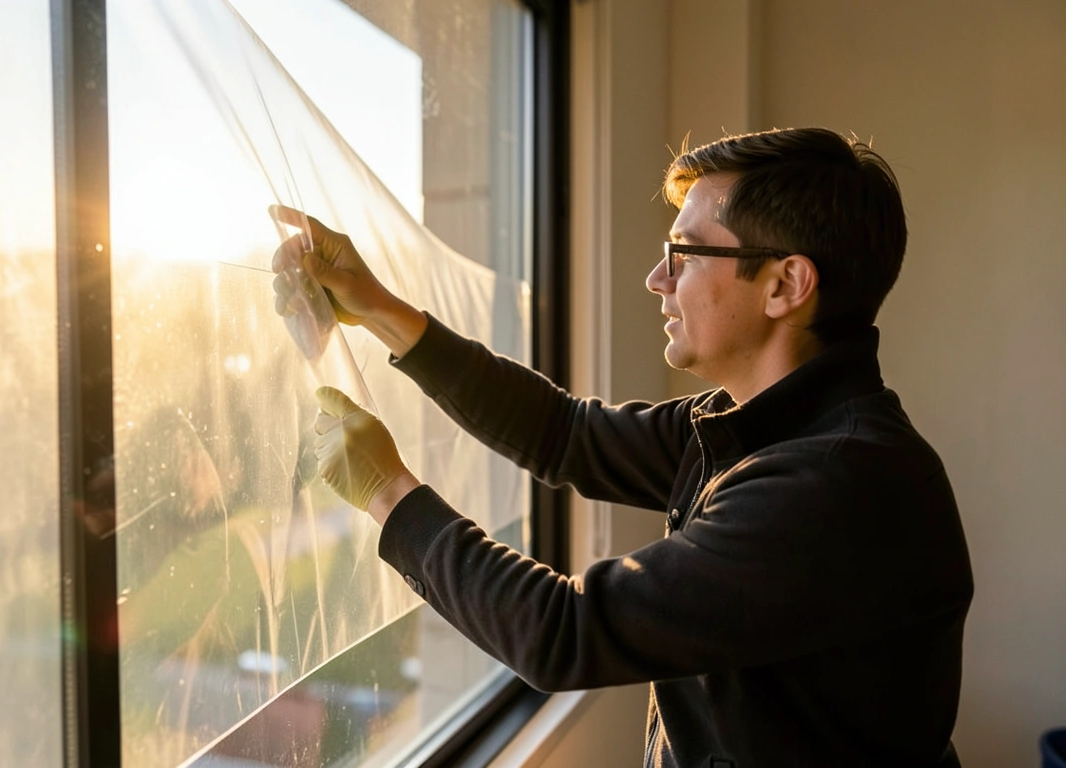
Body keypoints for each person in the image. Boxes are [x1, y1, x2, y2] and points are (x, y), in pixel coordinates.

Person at [270, 127, 974, 768]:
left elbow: (566, 633)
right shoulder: (754, 424)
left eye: (684, 255)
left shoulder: (838, 484)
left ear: (786, 284)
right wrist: (378, 307)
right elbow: (564, 434)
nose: (656, 279)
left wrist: (390, 495)